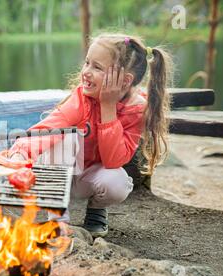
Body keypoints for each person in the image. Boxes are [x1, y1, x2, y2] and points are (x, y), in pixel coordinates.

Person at [9, 33, 172, 238]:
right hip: (57, 176)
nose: (86, 71)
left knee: (117, 183)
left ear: (124, 81)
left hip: (90, 178)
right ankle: (57, 217)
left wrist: (108, 107)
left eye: (97, 67)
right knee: (64, 136)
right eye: (87, 62)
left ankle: (96, 210)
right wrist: (20, 154)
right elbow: (47, 130)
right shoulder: (82, 99)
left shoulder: (137, 111)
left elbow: (113, 161)